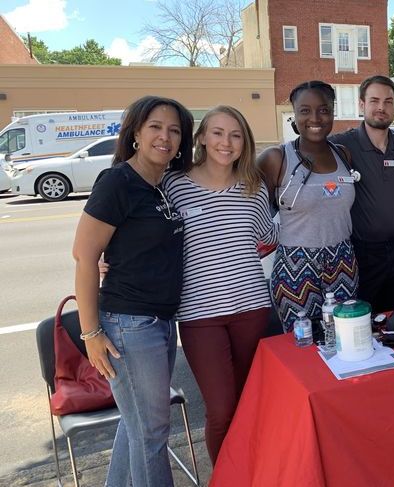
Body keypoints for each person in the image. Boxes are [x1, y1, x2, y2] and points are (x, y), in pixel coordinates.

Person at [72, 95, 194, 486]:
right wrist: (90, 333)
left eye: (174, 130)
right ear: (136, 133)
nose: (165, 136)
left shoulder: (159, 185)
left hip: (158, 321)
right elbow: (84, 255)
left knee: (139, 423)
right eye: (156, 127)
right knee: (153, 433)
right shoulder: (119, 181)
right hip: (128, 324)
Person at [161, 106, 278, 463]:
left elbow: (268, 236)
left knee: (248, 400)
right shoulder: (173, 184)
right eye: (217, 133)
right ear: (201, 138)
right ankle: (226, 475)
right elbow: (148, 235)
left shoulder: (254, 187)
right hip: (200, 315)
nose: (226, 143)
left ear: (245, 143)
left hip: (252, 309)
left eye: (235, 135)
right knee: (221, 407)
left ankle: (251, 469)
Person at [259, 81, 358, 331]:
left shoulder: (343, 155)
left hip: (343, 262)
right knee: (301, 346)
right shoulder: (276, 158)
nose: (315, 118)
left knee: (344, 338)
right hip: (296, 266)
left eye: (323, 110)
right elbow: (254, 212)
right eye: (305, 110)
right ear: (295, 113)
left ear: (333, 112)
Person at [329, 76, 394, 312]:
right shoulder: (340, 146)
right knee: (364, 320)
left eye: (388, 101)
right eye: (374, 100)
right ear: (361, 104)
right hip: (362, 252)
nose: (381, 107)